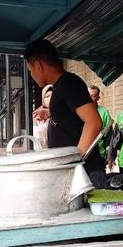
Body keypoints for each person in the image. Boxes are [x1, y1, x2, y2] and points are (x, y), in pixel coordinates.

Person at [24, 39, 106, 189]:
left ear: (38, 65)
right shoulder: (60, 86)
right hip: (75, 172)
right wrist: (49, 112)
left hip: (85, 173)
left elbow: (94, 122)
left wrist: (76, 160)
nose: (32, 74)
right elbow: (72, 116)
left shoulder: (69, 83)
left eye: (30, 70)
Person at [88, 85, 111, 160]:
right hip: (83, 153)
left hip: (100, 154)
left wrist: (109, 153)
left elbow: (109, 134)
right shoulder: (79, 111)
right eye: (88, 95)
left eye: (93, 96)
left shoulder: (104, 112)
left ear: (98, 98)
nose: (89, 98)